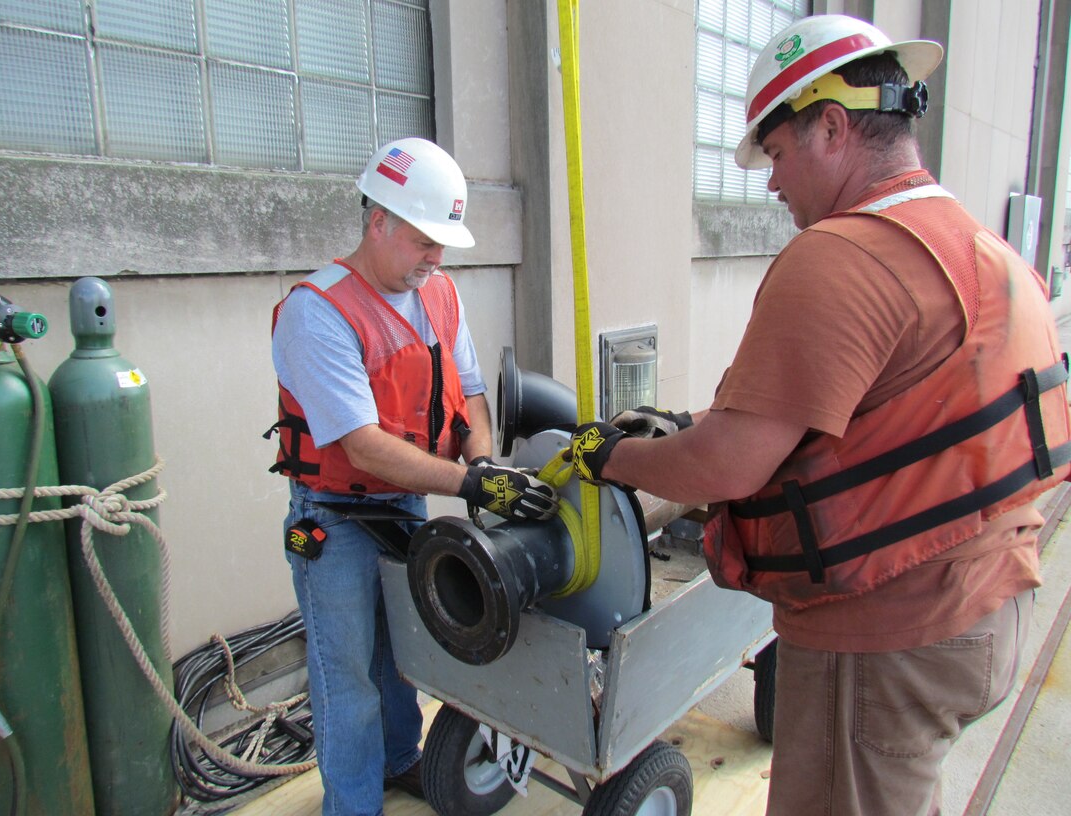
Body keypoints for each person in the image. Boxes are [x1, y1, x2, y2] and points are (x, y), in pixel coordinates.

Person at [569, 15, 1071, 816]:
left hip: (885, 639)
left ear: (833, 125)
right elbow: (875, 412)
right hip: (988, 604)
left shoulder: (842, 255)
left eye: (775, 154)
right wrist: (694, 420)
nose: (771, 184)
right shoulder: (974, 248)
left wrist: (607, 456)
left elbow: (724, 466)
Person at [267, 137, 558, 816]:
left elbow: (473, 395)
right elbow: (363, 446)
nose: (437, 258)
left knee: (406, 655)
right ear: (379, 223)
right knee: (348, 679)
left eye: (442, 244)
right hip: (331, 518)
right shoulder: (319, 312)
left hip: (404, 506)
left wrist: (483, 459)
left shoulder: (440, 295)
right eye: (426, 240)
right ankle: (353, 804)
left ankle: (401, 761)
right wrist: (469, 486)